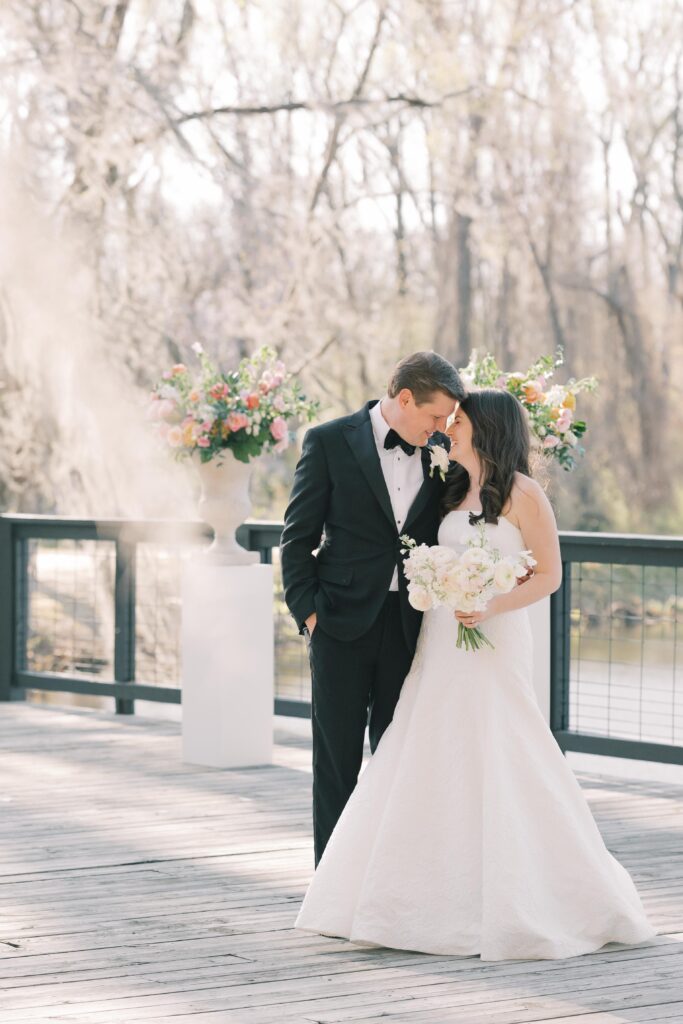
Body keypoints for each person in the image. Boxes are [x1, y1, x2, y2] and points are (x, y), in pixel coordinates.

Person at [293, 388, 658, 960]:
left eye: (458, 420)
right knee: (426, 750)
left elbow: (550, 575)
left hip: (494, 637)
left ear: (486, 429)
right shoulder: (449, 487)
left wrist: (491, 604)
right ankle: (400, 890)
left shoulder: (525, 494)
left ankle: (526, 889)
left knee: (502, 747)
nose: (447, 427)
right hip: (440, 639)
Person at [280, 351, 467, 866]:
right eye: (435, 415)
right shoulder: (327, 441)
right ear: (405, 398)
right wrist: (311, 615)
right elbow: (296, 539)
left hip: (410, 626)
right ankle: (331, 882)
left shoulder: (440, 450)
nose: (440, 427)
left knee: (399, 759)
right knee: (336, 762)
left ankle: (389, 878)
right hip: (339, 624)